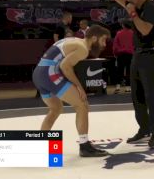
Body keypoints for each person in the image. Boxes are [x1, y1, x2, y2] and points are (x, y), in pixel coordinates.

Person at [32, 25, 110, 157]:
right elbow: (65, 67)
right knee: (82, 104)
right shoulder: (83, 48)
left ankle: (41, 142)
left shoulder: (75, 40)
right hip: (50, 73)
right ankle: (85, 146)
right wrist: (79, 87)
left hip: (39, 73)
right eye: (103, 40)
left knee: (55, 108)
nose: (104, 44)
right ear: (94, 38)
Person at [108, 0, 154, 148]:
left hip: (151, 53)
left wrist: (132, 13)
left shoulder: (152, 8)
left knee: (151, 95)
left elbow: (145, 30)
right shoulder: (134, 5)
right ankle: (144, 129)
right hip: (137, 55)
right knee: (136, 95)